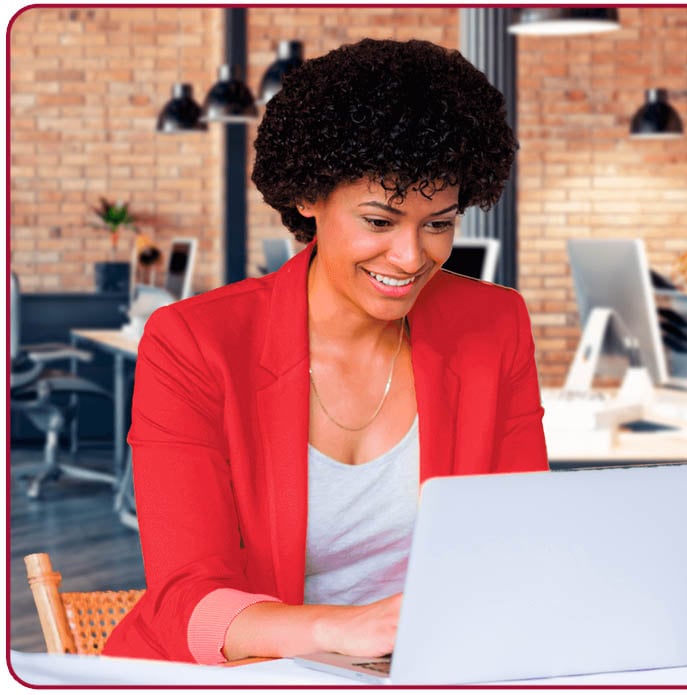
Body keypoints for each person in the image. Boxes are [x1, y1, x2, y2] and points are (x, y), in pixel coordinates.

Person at [104, 38, 548, 665]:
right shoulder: (194, 343)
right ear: (309, 197)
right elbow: (186, 599)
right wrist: (338, 631)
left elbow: (522, 537)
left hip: (434, 666)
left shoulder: (494, 323)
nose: (411, 256)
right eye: (378, 221)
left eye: (438, 223)